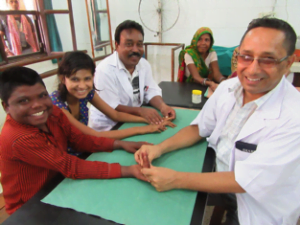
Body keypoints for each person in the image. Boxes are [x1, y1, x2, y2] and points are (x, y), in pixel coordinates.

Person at [135, 18, 300, 224]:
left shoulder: (294, 118)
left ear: (288, 64)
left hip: (258, 206)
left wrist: (175, 179)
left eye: (268, 59)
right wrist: (159, 149)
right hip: (220, 175)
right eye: (246, 57)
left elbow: (244, 181)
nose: (253, 69)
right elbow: (198, 128)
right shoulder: (228, 88)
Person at [0, 67, 149, 215]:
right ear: (6, 106)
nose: (37, 104)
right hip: (29, 206)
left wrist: (120, 144)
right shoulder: (19, 138)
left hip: (58, 184)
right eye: (24, 100)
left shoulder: (53, 113)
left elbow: (79, 140)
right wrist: (129, 170)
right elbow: (70, 166)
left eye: (42, 95)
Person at [50, 51, 175, 155]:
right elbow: (94, 135)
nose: (82, 85)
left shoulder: (88, 93)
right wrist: (144, 129)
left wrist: (150, 120)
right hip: (62, 158)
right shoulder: (57, 105)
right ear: (62, 78)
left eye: (87, 79)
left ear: (93, 76)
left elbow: (116, 115)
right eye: (75, 79)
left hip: (81, 149)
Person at [89, 20, 176, 131]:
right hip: (109, 126)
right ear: (117, 45)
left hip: (133, 120)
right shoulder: (105, 70)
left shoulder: (143, 64)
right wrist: (140, 111)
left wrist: (163, 107)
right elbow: (113, 107)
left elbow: (150, 90)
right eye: (129, 44)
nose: (135, 49)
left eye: (139, 44)